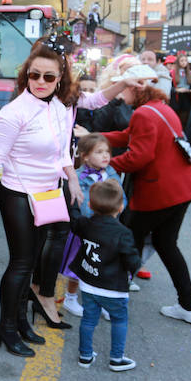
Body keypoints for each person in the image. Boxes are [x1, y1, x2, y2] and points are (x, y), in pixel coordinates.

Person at [0, 36, 138, 357]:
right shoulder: (13, 113)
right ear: (25, 76)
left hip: (48, 193)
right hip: (19, 193)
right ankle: (6, 327)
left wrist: (70, 178)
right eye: (34, 75)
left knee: (32, 261)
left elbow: (63, 148)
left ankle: (20, 321)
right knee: (20, 263)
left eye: (48, 77)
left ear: (59, 79)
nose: (41, 82)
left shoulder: (60, 107)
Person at [99, 66, 191, 324]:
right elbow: (129, 136)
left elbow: (139, 157)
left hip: (160, 193)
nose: (121, 94)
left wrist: (106, 163)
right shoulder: (160, 107)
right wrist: (97, 137)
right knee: (167, 244)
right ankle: (188, 307)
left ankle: (112, 300)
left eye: (124, 88)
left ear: (135, 88)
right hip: (183, 188)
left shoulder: (144, 113)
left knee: (127, 241)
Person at [68, 179, 141, 371]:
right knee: (119, 320)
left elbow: (74, 219)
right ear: (121, 207)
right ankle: (116, 358)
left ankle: (85, 355)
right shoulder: (123, 233)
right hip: (114, 288)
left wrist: (74, 202)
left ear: (90, 205)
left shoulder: (86, 224)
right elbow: (132, 261)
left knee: (88, 319)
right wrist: (131, 272)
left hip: (89, 284)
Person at [60, 134, 127, 318]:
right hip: (87, 230)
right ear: (85, 156)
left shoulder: (112, 173)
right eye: (99, 152)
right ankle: (70, 297)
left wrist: (117, 212)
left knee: (103, 267)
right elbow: (79, 202)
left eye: (107, 151)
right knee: (79, 265)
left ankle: (103, 301)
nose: (105, 155)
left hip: (108, 230)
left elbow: (122, 198)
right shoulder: (79, 176)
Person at [170, 53, 191, 125]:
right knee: (175, 119)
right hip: (176, 98)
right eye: (182, 60)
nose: (184, 62)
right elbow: (168, 87)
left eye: (185, 60)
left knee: (184, 119)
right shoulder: (172, 73)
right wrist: (176, 90)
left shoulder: (190, 74)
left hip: (186, 98)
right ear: (178, 62)